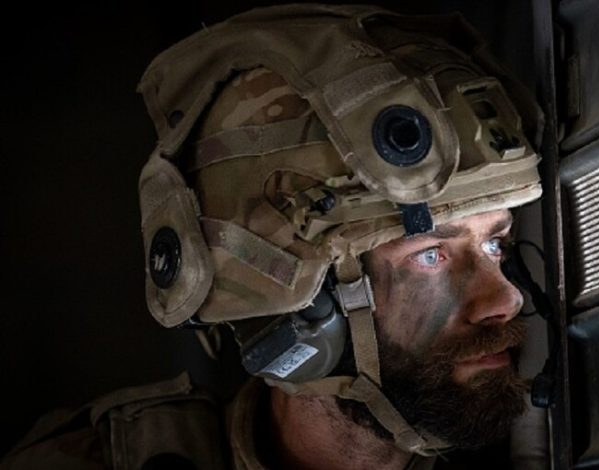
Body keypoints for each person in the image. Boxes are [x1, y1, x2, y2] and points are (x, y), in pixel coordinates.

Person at [2, 4, 546, 469]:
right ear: (302, 313)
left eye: (494, 244)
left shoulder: (549, 449)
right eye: (431, 255)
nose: (506, 298)